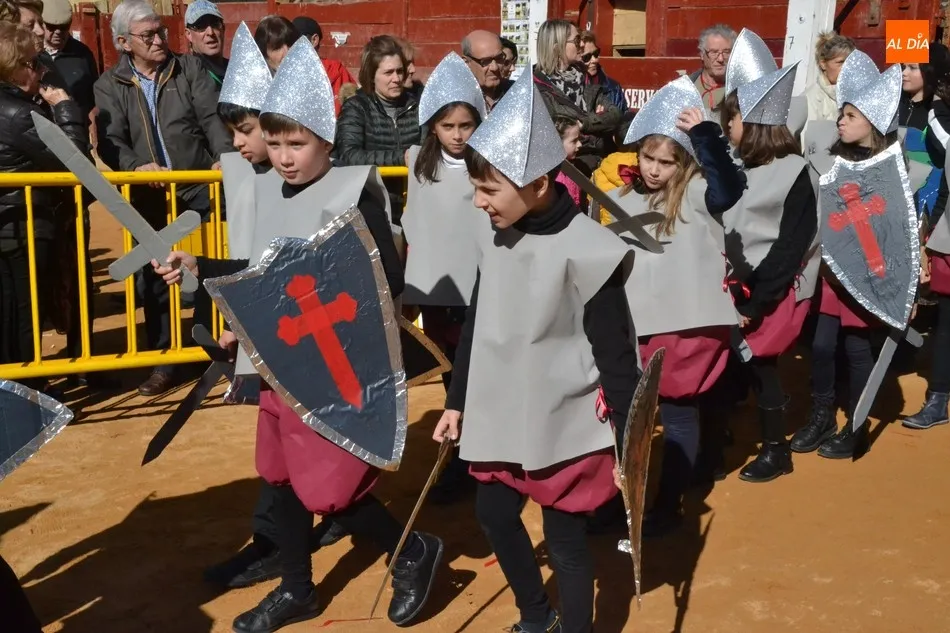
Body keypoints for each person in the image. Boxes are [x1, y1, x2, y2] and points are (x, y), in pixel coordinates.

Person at [154, 39, 443, 633]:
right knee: (280, 476)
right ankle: (296, 588)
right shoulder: (271, 188)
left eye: (297, 144)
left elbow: (383, 279)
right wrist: (202, 270)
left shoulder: (352, 191)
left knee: (330, 491)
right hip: (280, 361)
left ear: (326, 141)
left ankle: (412, 549)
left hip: (333, 368)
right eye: (276, 142)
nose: (284, 158)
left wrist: (311, 295)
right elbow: (262, 273)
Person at [432, 69, 638, 633]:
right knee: (494, 514)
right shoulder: (498, 233)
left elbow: (616, 355)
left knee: (565, 542)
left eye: (489, 189)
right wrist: (457, 401)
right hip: (501, 412)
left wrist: (627, 441)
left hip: (562, 422)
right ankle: (535, 616)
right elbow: (477, 325)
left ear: (539, 184)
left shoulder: (590, 249)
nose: (479, 202)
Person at [608, 76, 744, 534]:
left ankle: (669, 506)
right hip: (636, 322)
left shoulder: (699, 191)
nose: (653, 169)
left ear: (683, 162)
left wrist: (704, 134)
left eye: (666, 162)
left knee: (678, 413)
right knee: (630, 416)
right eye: (648, 157)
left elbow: (729, 188)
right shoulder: (625, 195)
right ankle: (621, 501)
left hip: (686, 324)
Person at [94, 0, 232, 396]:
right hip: (150, 197)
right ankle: (164, 360)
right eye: (148, 35)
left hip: (199, 186)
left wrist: (223, 156)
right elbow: (110, 141)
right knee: (155, 279)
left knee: (213, 265)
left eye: (160, 32)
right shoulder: (108, 85)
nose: (158, 40)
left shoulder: (188, 69)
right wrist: (136, 166)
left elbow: (211, 118)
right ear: (124, 42)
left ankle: (218, 349)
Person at [719, 31, 819, 482]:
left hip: (771, 291)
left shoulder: (795, 172)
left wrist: (756, 301)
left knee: (761, 364)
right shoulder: (738, 167)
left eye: (733, 118)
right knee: (731, 361)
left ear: (756, 121)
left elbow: (790, 247)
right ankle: (720, 434)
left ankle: (777, 449)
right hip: (736, 287)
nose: (728, 127)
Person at [792, 51, 902, 459]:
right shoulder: (833, 161)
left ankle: (857, 424)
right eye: (841, 114)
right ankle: (822, 415)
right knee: (821, 347)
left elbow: (899, 227)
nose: (841, 121)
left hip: (868, 271)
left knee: (857, 348)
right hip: (834, 270)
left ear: (871, 123)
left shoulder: (889, 169)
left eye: (851, 116)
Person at [401, 52, 485, 504]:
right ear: (432, 126)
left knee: (476, 372)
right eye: (447, 125)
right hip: (437, 290)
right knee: (450, 372)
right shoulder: (418, 162)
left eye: (465, 125)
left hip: (479, 288)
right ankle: (462, 455)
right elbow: (415, 224)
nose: (456, 134)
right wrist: (412, 288)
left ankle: (471, 458)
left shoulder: (487, 164)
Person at [0, 22, 87, 391]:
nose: (39, 71)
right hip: (25, 227)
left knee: (11, 313)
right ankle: (30, 391)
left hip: (12, 225)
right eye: (33, 64)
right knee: (25, 313)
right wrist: (65, 108)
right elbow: (76, 160)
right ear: (14, 69)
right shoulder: (19, 114)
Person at [904, 54, 950, 430]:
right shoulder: (901, 108)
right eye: (901, 66)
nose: (904, 73)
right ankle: (938, 398)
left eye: (912, 66)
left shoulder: (938, 114)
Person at [335, 34, 421, 218]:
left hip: (415, 206)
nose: (396, 78)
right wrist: (402, 157)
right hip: (371, 207)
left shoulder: (417, 106)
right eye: (388, 73)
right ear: (371, 76)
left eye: (399, 71)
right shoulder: (356, 108)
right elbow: (349, 155)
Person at [532, 19, 621, 171]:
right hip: (568, 170)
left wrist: (583, 124)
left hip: (601, 162)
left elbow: (615, 115)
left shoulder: (584, 78)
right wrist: (598, 121)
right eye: (576, 40)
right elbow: (555, 136)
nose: (582, 44)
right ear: (557, 47)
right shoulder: (538, 89)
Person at [39, 0, 98, 123]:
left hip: (77, 125)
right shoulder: (31, 53)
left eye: (63, 27)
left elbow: (93, 97)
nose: (58, 32)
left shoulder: (82, 54)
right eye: (51, 27)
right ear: (41, 24)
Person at [291, 16, 357, 114]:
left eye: (295, 41)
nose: (290, 46)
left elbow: (354, 113)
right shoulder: (286, 73)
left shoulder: (336, 71)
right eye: (288, 41)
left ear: (314, 40)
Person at [803, 32, 855, 122]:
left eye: (850, 62)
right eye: (840, 62)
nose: (847, 68)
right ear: (823, 64)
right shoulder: (810, 100)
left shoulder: (855, 95)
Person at [462, 30, 513, 112]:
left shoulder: (517, 91)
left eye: (499, 58)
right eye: (485, 61)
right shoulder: (457, 100)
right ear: (466, 62)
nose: (495, 68)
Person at [689, 24, 735, 114]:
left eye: (726, 52)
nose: (720, 59)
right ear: (702, 54)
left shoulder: (739, 91)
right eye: (714, 52)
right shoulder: (687, 88)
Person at [184, 0, 228, 92]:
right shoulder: (184, 77)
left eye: (215, 24)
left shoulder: (236, 70)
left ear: (223, 29)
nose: (210, 32)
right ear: (188, 34)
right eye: (201, 26)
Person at [579, 31, 627, 111]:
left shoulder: (613, 88)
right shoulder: (570, 90)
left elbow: (623, 116)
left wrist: (607, 117)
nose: (595, 60)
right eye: (587, 57)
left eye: (596, 53)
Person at [554, 116, 583, 206]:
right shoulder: (557, 180)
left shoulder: (571, 165)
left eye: (579, 139)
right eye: (574, 141)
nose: (580, 144)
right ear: (557, 143)